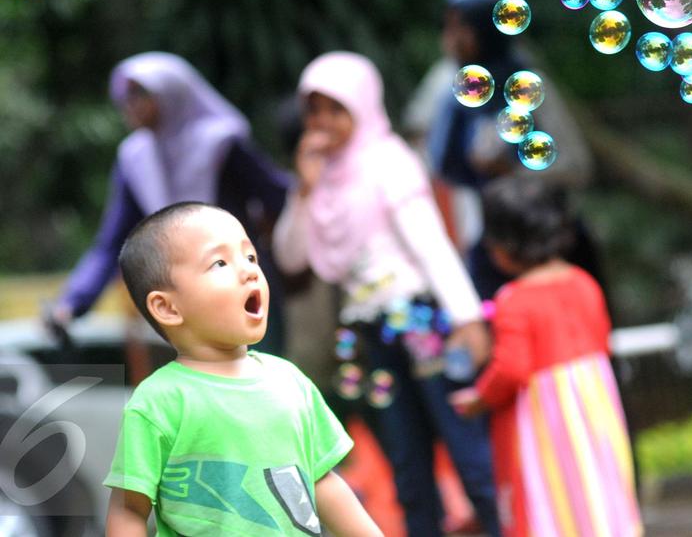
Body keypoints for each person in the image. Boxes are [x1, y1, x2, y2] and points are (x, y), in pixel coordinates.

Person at [272, 51, 501, 537]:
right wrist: (305, 190)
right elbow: (291, 258)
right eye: (314, 110)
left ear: (362, 104)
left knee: (467, 449)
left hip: (419, 317)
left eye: (336, 108)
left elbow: (431, 244)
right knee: (407, 464)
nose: (323, 122)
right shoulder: (322, 178)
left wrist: (468, 318)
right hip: (371, 328)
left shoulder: (388, 159)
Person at [103, 202, 379, 536]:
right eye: (219, 262)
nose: (249, 271)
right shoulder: (157, 402)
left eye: (250, 257)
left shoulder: (290, 380)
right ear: (167, 307)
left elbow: (322, 482)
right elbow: (129, 508)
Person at [48, 52, 290, 355]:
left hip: (243, 284)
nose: (130, 105)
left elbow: (277, 197)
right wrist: (71, 304)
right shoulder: (135, 159)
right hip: (185, 297)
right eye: (127, 96)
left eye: (141, 94)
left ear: (171, 93)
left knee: (260, 370)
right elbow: (113, 243)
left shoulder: (219, 144)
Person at [449, 176, 641, 537]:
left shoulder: (513, 301)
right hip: (598, 420)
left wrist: (479, 397)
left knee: (549, 502)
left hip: (543, 430)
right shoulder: (585, 283)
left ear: (502, 247)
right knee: (599, 498)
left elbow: (510, 369)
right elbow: (602, 342)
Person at [422, 0, 598, 300]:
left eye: (460, 28)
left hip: (552, 245)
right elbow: (442, 165)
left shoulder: (527, 84)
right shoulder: (454, 94)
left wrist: (512, 173)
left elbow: (577, 165)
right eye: (448, 28)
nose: (449, 40)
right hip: (498, 250)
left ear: (485, 29)